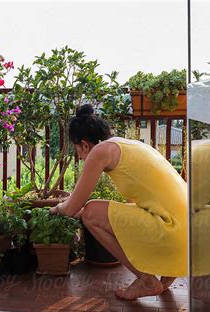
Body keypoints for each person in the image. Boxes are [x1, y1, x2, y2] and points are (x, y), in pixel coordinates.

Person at [50, 104, 187, 300]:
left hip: (173, 230)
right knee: (95, 211)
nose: (79, 157)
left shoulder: (100, 152)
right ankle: (165, 276)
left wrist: (55, 208)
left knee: (90, 212)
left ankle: (147, 280)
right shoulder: (126, 145)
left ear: (84, 144)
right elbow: (137, 205)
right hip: (186, 232)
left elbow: (71, 208)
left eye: (78, 151)